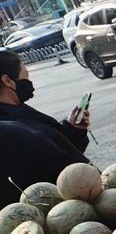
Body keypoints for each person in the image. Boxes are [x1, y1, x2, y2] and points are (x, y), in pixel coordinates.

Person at [0, 51, 91, 205]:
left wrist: (73, 128)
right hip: (60, 207)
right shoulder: (13, 129)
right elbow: (61, 164)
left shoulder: (18, 110)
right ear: (8, 80)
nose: (29, 82)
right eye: (26, 76)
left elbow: (58, 147)